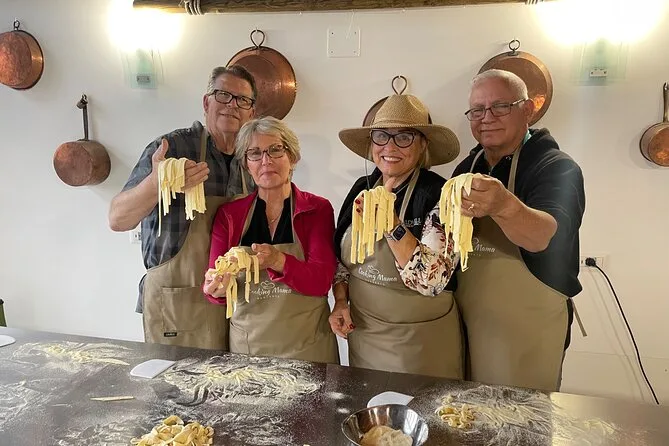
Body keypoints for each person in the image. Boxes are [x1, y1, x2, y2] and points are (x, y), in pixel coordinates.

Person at [452, 69, 585, 391]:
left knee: (521, 415)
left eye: (500, 106)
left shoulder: (556, 167)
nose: (487, 118)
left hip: (527, 327)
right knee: (469, 410)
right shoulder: (467, 168)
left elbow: (543, 237)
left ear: (527, 110)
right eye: (477, 110)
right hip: (468, 319)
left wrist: (503, 205)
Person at [108, 65, 257, 349]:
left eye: (242, 100)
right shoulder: (172, 149)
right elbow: (118, 219)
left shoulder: (251, 160)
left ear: (251, 112)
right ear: (206, 102)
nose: (232, 105)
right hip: (178, 303)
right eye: (223, 95)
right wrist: (159, 182)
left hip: (235, 303)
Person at [328, 92, 464, 378]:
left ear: (423, 144)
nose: (390, 146)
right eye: (381, 136)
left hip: (421, 342)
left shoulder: (442, 196)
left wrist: (391, 224)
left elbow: (431, 280)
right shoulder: (361, 188)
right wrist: (340, 301)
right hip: (364, 335)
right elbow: (341, 261)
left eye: (404, 137)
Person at [203, 117, 339, 364]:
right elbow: (217, 290)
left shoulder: (316, 209)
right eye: (254, 153)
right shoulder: (230, 216)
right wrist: (216, 289)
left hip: (308, 347)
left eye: (275, 150)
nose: (266, 161)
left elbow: (321, 281)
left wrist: (278, 261)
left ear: (293, 158)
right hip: (249, 351)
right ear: (246, 164)